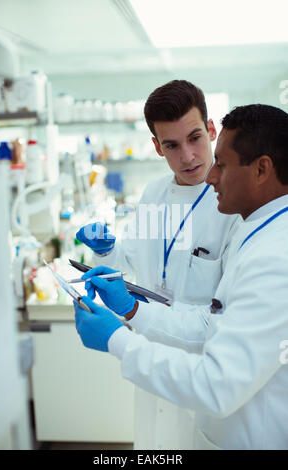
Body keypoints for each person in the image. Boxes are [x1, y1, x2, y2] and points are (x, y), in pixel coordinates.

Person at [74, 104, 288, 450]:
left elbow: (214, 329)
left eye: (196, 139)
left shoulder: (236, 213)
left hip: (196, 368)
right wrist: (107, 256)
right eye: (172, 145)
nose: (191, 158)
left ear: (210, 130)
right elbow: (133, 260)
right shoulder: (155, 194)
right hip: (158, 357)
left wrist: (121, 332)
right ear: (157, 147)